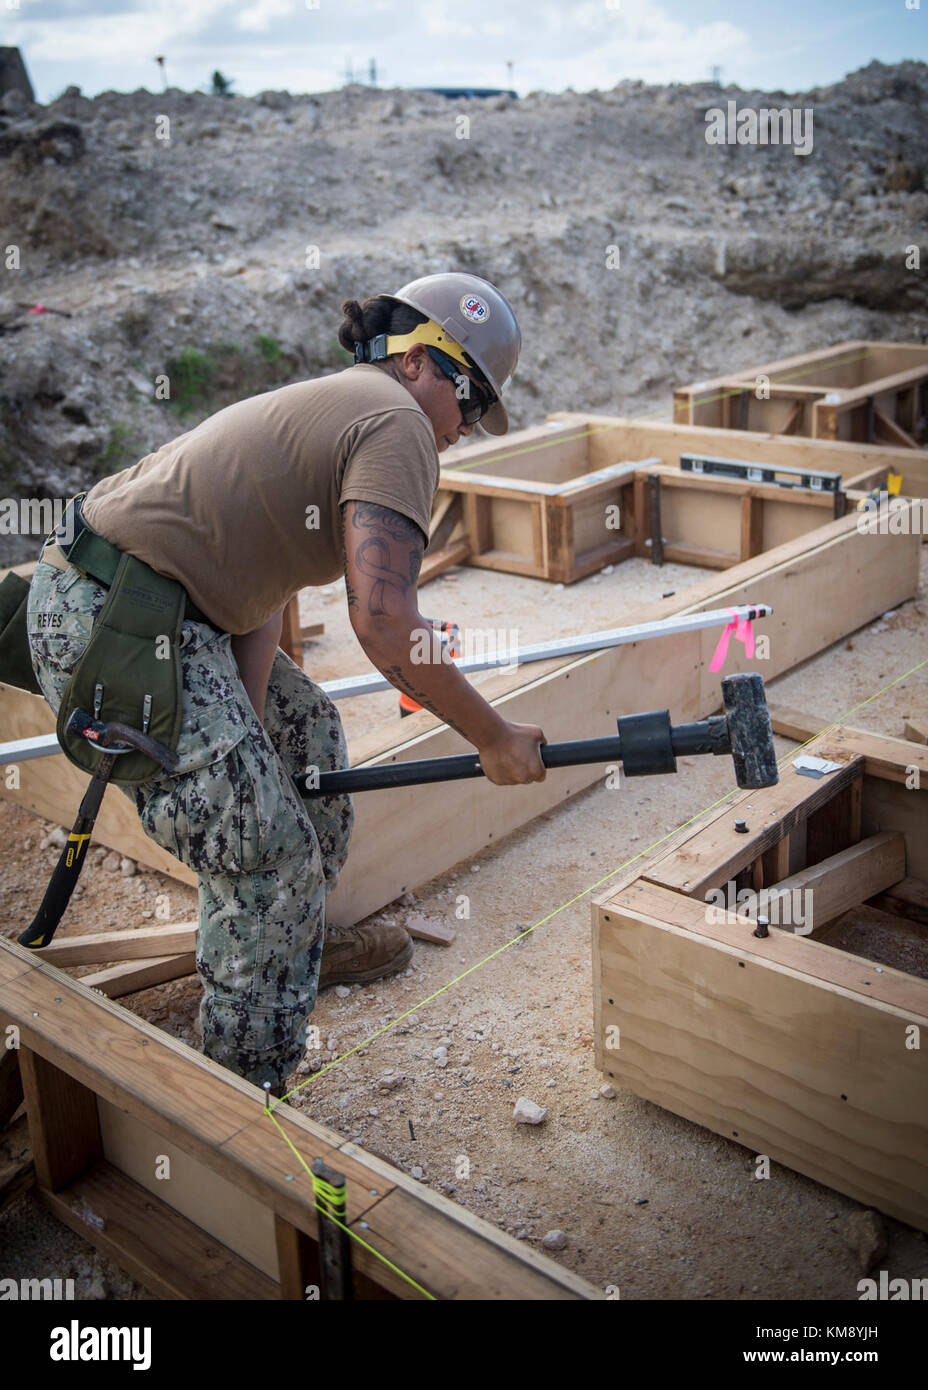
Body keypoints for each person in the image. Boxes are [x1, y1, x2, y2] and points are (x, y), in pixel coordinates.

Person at [25, 271, 547, 1093]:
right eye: (472, 399)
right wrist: (494, 738)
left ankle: (288, 939)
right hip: (117, 619)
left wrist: (251, 732)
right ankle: (245, 1093)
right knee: (265, 856)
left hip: (150, 606)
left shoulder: (343, 406)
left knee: (306, 738)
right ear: (421, 361)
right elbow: (384, 622)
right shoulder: (398, 423)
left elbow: (259, 589)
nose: (468, 427)